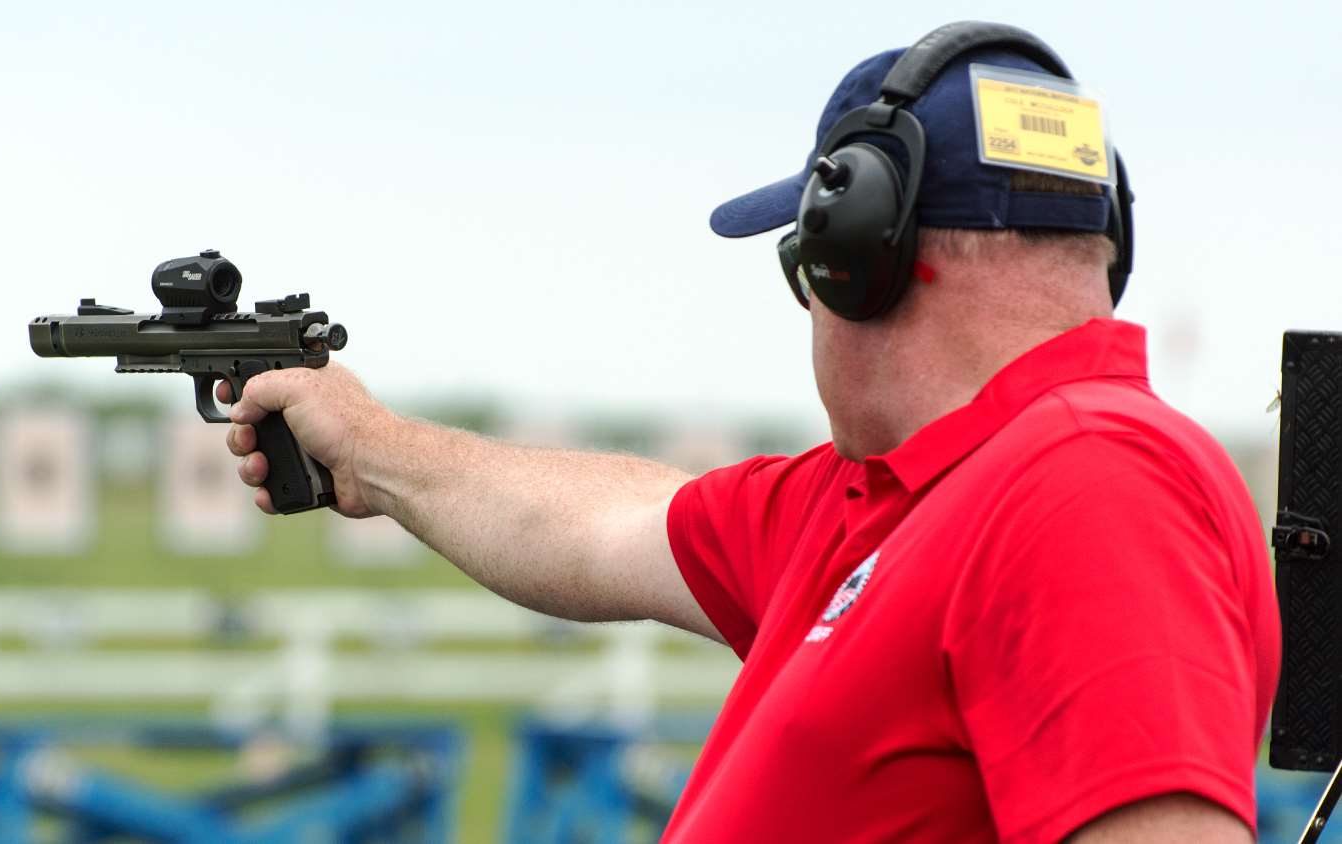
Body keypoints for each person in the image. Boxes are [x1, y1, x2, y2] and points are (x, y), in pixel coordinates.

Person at [221, 23, 1279, 844]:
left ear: (853, 251)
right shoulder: (893, 504)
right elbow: (594, 528)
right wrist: (366, 443)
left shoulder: (1088, 484)